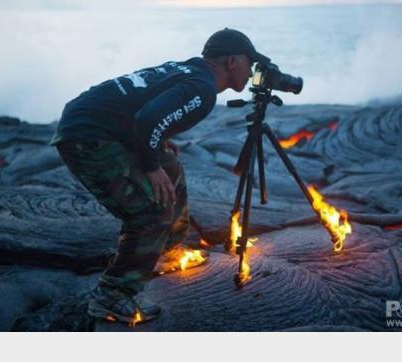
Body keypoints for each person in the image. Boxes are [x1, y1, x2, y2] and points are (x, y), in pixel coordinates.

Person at [50, 28, 270, 324]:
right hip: (88, 136)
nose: (252, 69)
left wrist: (157, 144)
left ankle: (166, 250)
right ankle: (111, 296)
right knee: (151, 210)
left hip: (97, 123)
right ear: (232, 61)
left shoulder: (190, 69)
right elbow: (147, 118)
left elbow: (146, 106)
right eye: (249, 62)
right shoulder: (202, 89)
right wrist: (150, 166)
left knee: (171, 166)